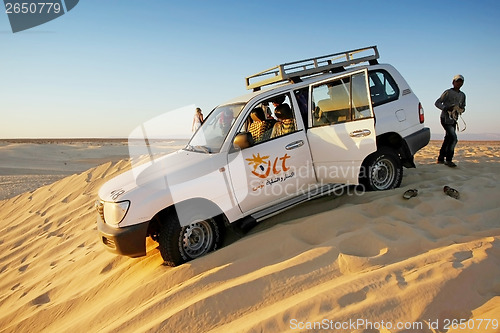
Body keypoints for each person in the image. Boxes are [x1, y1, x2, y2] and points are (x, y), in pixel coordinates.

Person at [434, 74, 466, 167]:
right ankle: (449, 159)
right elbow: (437, 102)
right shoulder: (448, 92)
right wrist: (446, 108)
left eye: (461, 81)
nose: (459, 83)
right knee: (453, 138)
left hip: (454, 120)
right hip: (445, 118)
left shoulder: (462, 95)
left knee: (448, 138)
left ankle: (440, 158)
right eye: (457, 81)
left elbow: (463, 107)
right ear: (453, 82)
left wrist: (460, 109)